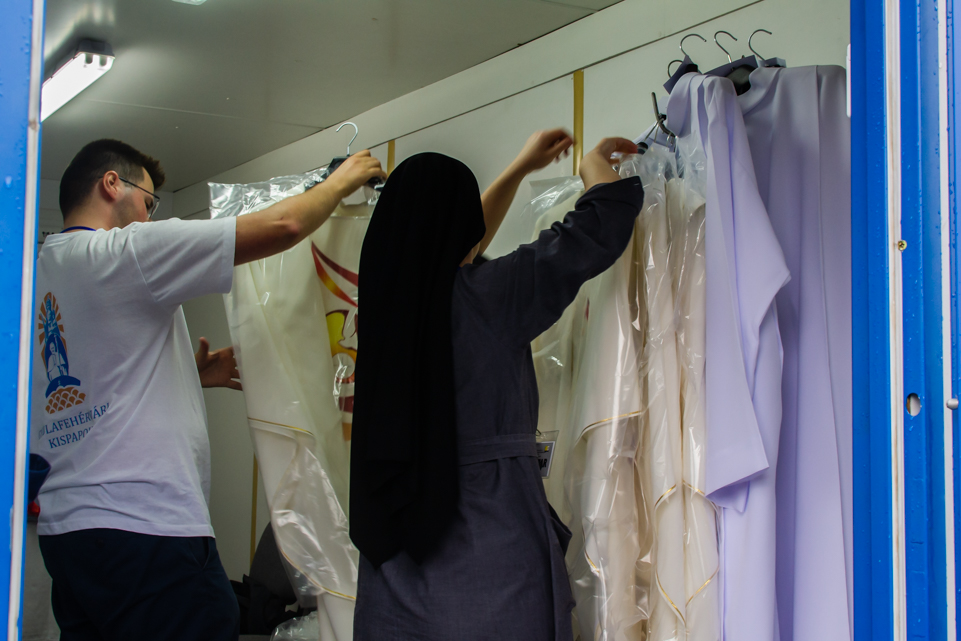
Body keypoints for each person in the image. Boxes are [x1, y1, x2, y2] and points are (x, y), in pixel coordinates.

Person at [31, 138, 385, 641]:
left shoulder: (37, 274)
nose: (148, 217)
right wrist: (341, 182)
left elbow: (80, 383)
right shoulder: (123, 251)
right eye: (148, 202)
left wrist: (186, 375)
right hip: (145, 528)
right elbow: (283, 227)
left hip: (68, 535)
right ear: (112, 184)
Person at [349, 131, 643, 641]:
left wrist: (519, 167)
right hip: (490, 547)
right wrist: (592, 165)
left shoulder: (381, 313)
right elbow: (602, 220)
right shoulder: (490, 298)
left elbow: (448, 244)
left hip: (390, 576)